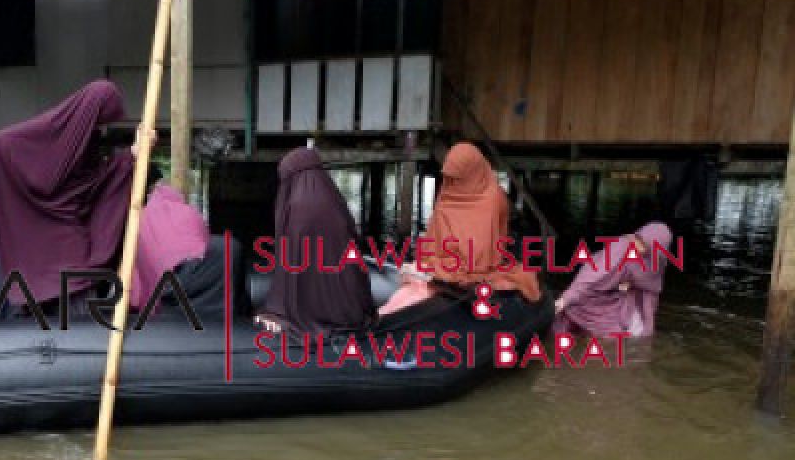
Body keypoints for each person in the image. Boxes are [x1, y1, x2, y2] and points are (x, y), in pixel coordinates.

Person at [0, 80, 143, 315]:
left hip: (61, 252)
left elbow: (93, 185)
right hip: (60, 253)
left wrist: (131, 156)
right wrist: (128, 159)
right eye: (101, 119)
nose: (102, 127)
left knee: (67, 312)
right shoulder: (43, 138)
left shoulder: (84, 139)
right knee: (72, 319)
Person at [378, 142, 541, 315]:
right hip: (442, 266)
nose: (452, 182)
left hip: (470, 271)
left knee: (413, 297)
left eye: (457, 178)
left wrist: (431, 270)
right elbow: (434, 238)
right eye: (449, 177)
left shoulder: (492, 200)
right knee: (399, 301)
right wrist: (424, 265)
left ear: (471, 172)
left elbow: (478, 261)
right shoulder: (449, 189)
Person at [255, 147, 375, 334]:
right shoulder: (335, 201)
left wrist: (280, 306)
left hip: (306, 310)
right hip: (350, 309)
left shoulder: (297, 207)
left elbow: (292, 267)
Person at [131, 165, 245, 320]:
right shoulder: (158, 205)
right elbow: (198, 236)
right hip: (175, 276)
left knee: (226, 249)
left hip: (167, 277)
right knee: (229, 248)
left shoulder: (150, 207)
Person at [554, 222, 673, 338]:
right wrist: (565, 299)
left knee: (636, 333)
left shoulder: (656, 261)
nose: (638, 246)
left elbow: (651, 290)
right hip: (595, 287)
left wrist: (630, 285)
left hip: (623, 296)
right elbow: (590, 276)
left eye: (645, 245)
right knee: (573, 306)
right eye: (639, 240)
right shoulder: (620, 247)